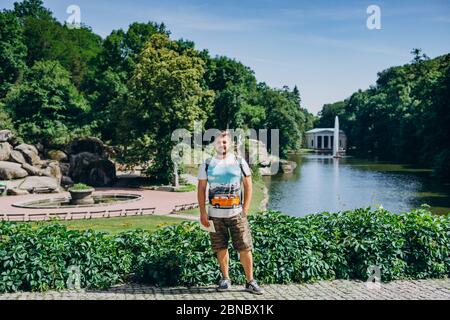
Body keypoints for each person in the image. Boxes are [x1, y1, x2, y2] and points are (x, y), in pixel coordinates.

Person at [197, 130, 263, 295]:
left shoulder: (239, 161)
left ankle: (250, 281)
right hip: (214, 215)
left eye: (225, 142)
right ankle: (225, 279)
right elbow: (201, 189)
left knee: (245, 247)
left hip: (236, 213)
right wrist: (203, 213)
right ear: (214, 144)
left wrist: (245, 209)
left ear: (231, 144)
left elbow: (248, 186)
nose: (222, 145)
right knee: (220, 247)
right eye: (219, 142)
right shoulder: (206, 163)